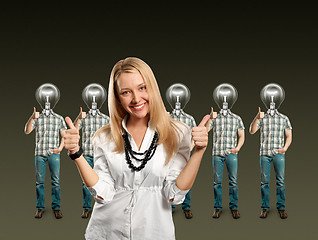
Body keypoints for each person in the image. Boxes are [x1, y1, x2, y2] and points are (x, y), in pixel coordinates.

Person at [63, 57, 209, 239]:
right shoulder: (103, 137)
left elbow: (174, 195)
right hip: (106, 233)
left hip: (154, 233)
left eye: (142, 88)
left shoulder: (178, 133)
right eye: (126, 92)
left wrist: (199, 151)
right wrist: (76, 154)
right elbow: (103, 193)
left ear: (152, 88)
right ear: (117, 97)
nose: (136, 99)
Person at [249, 107, 292, 219]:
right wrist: (257, 117)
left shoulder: (284, 118)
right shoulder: (263, 118)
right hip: (264, 154)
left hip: (279, 153)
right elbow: (252, 131)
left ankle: (281, 208)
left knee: (281, 181)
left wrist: (285, 148)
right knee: (264, 182)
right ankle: (265, 208)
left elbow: (289, 136)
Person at [24, 107, 67, 219]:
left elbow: (64, 135)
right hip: (39, 153)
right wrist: (32, 117)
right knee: (39, 182)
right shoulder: (38, 118)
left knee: (56, 181)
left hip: (54, 153)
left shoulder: (59, 118)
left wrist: (60, 148)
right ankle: (40, 208)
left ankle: (56, 208)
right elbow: (27, 131)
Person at [207, 107, 245, 219]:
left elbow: (242, 135)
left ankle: (234, 208)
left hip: (231, 153)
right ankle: (217, 208)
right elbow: (206, 130)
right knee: (217, 182)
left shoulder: (236, 118)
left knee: (233, 181)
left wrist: (237, 148)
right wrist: (210, 118)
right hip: (217, 153)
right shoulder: (215, 118)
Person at [74, 107, 110, 218]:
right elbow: (75, 130)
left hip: (101, 155)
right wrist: (79, 118)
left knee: (104, 181)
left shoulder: (106, 119)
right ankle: (86, 208)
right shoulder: (84, 119)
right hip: (87, 154)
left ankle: (103, 207)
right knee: (86, 183)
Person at [169, 110, 196, 219]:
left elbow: (195, 134)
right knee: (168, 178)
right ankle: (170, 206)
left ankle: (186, 207)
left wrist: (190, 148)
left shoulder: (189, 119)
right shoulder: (167, 118)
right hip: (170, 154)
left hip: (184, 154)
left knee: (186, 179)